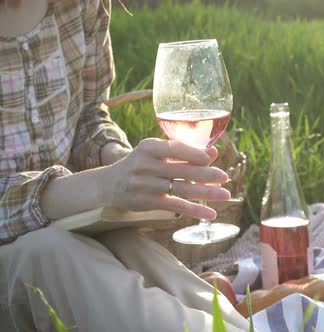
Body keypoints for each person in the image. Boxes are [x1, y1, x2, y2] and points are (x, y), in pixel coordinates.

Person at [0, 0, 250, 330]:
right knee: (50, 253)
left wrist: (120, 160)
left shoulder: (80, 6)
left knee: (136, 252)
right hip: (32, 244)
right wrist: (102, 185)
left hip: (67, 219)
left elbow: (88, 116)